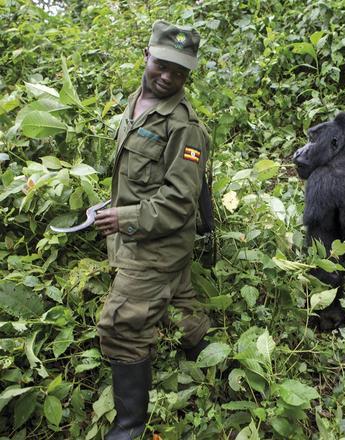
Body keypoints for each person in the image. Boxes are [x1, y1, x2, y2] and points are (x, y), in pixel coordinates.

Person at [94, 20, 211, 440]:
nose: (168, 77)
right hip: (150, 241)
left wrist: (124, 218)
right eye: (162, 65)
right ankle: (215, 368)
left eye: (179, 73)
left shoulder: (184, 126)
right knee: (181, 304)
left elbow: (180, 203)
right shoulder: (137, 102)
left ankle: (129, 427)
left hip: (156, 245)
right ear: (146, 55)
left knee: (122, 326)